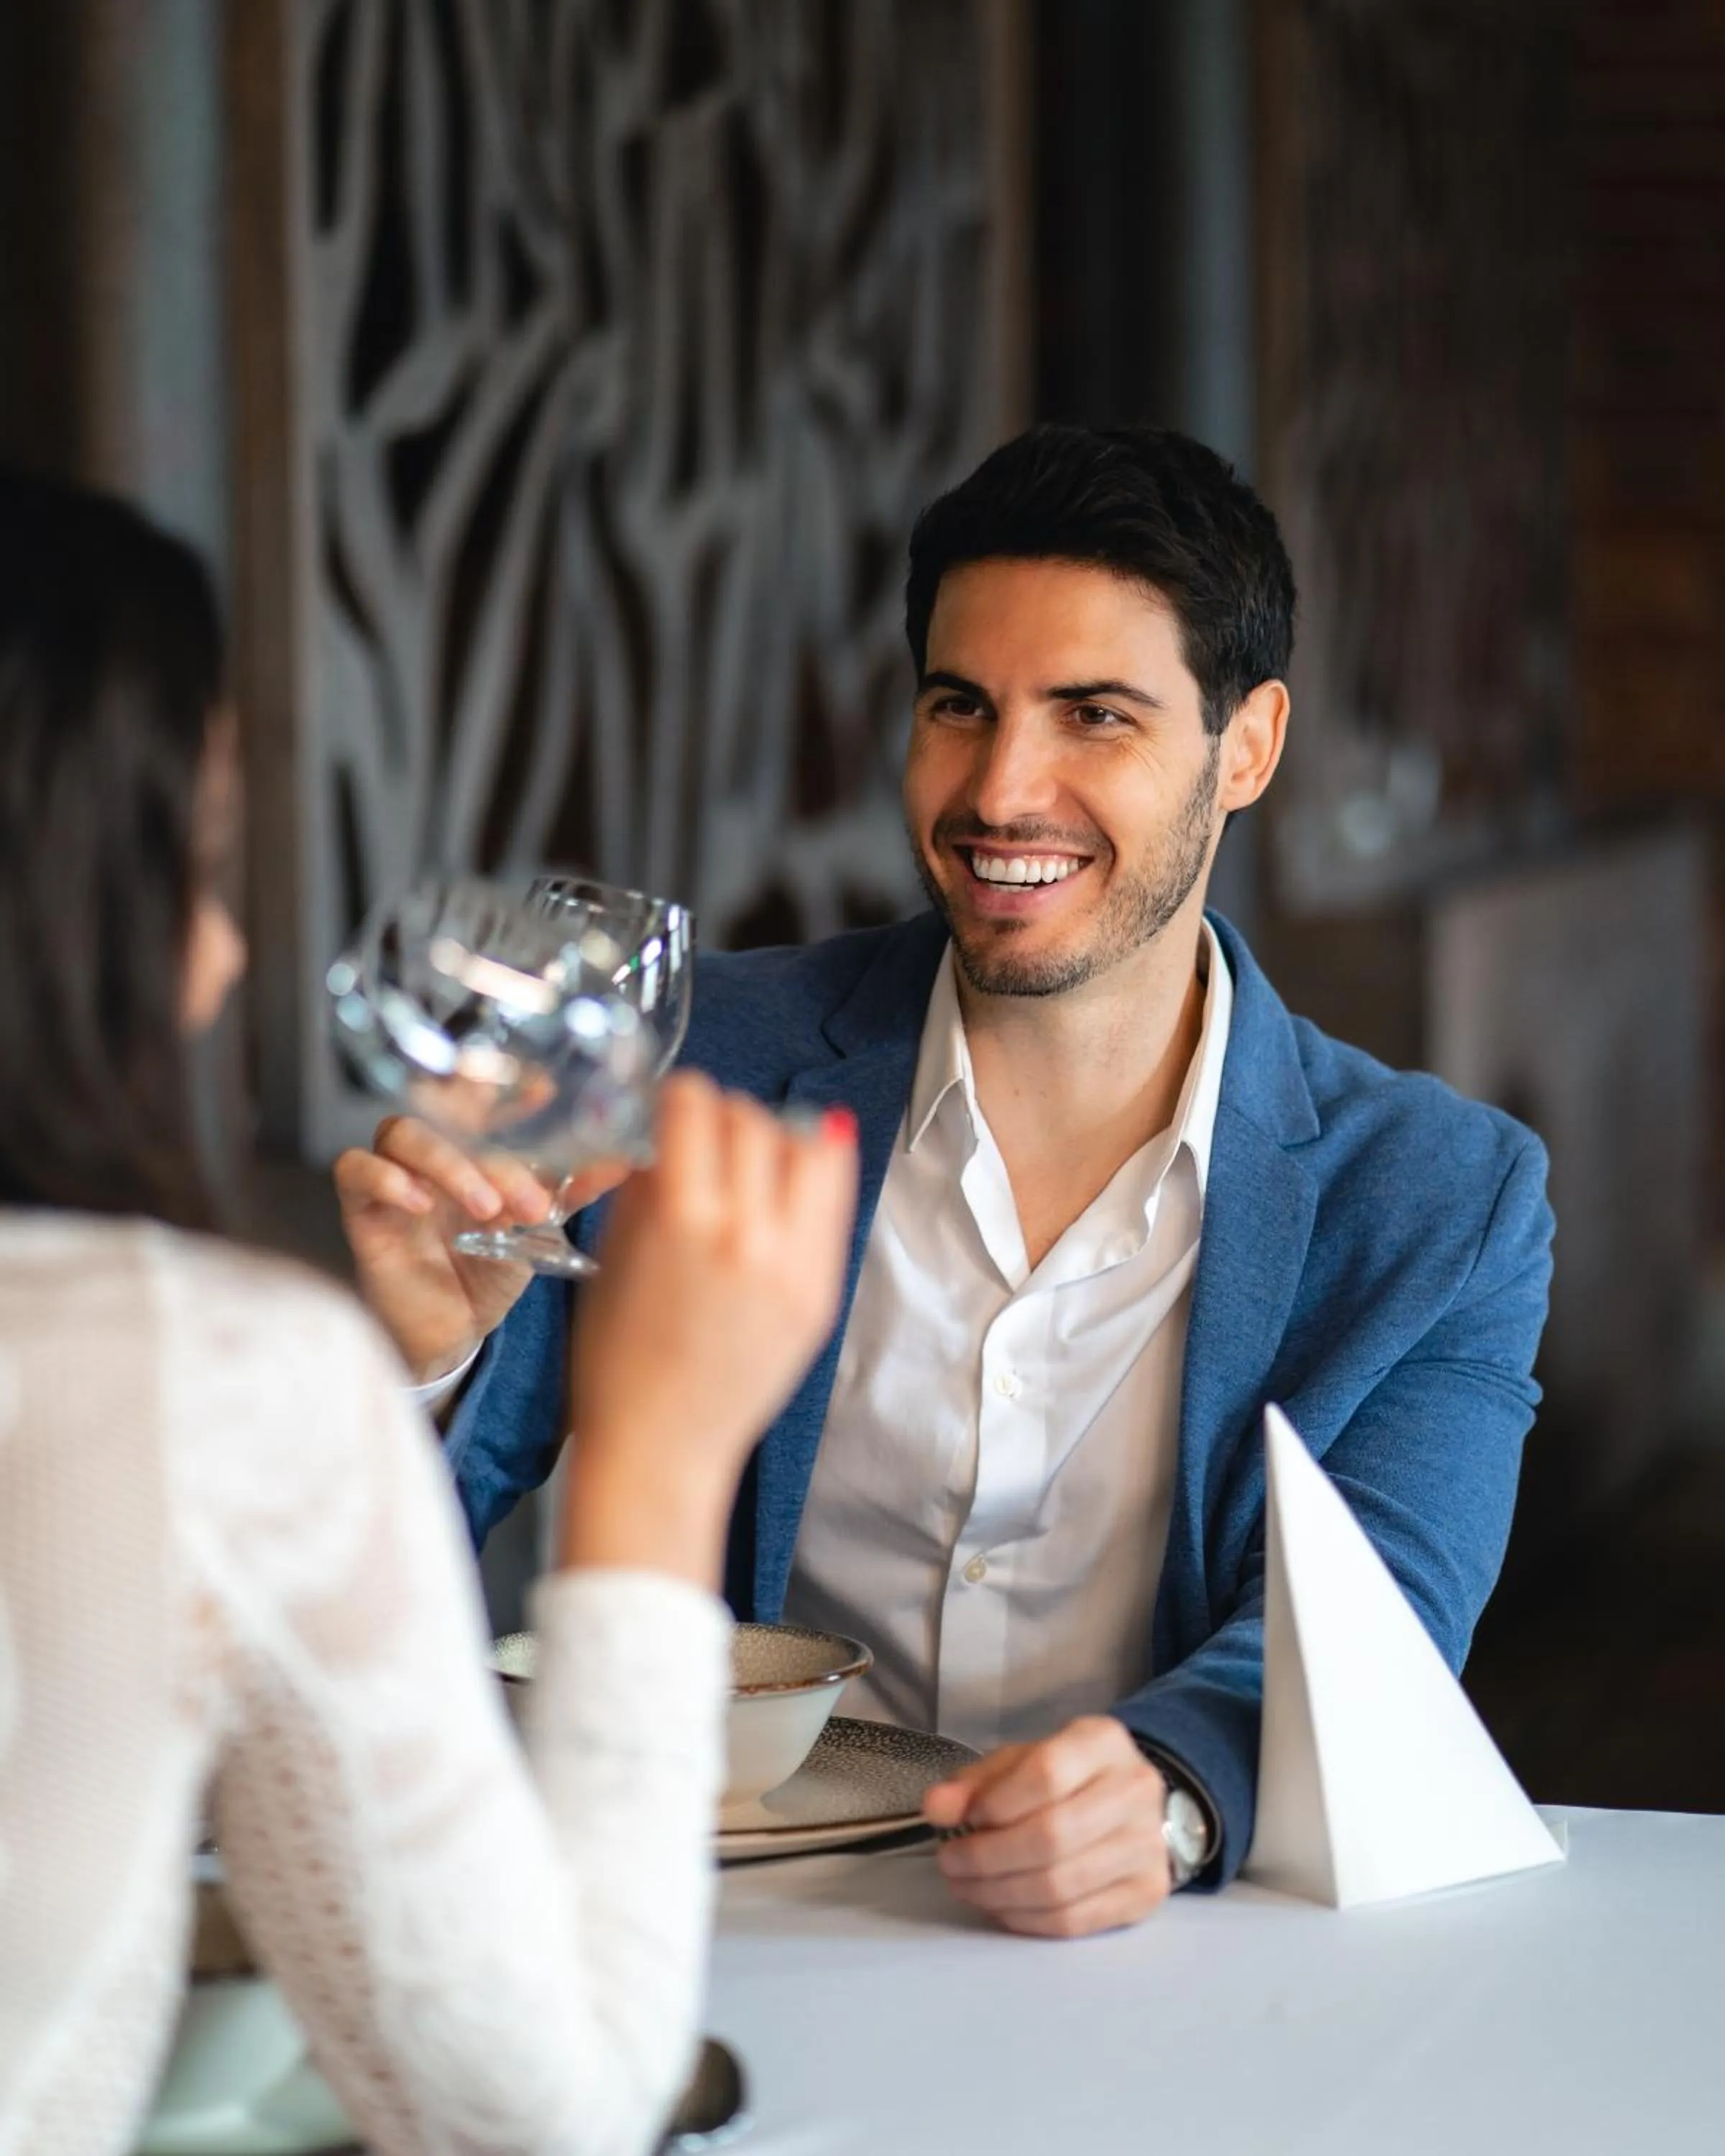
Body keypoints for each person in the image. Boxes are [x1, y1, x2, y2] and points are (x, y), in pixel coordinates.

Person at [341, 425, 1554, 1941]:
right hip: (717, 1930)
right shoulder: (691, 1063)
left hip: (1155, 1955)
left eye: (1094, 716)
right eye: (959, 707)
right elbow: (395, 1531)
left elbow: (1381, 1631)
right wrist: (419, 1358)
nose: (1001, 789)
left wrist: (1166, 1795)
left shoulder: (1443, 1199)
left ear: (1246, 747)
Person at [0, 467, 857, 2155]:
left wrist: (398, 1370)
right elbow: (542, 2115)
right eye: (205, 861)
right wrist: (657, 1458)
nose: (228, 959)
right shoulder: (202, 1375)